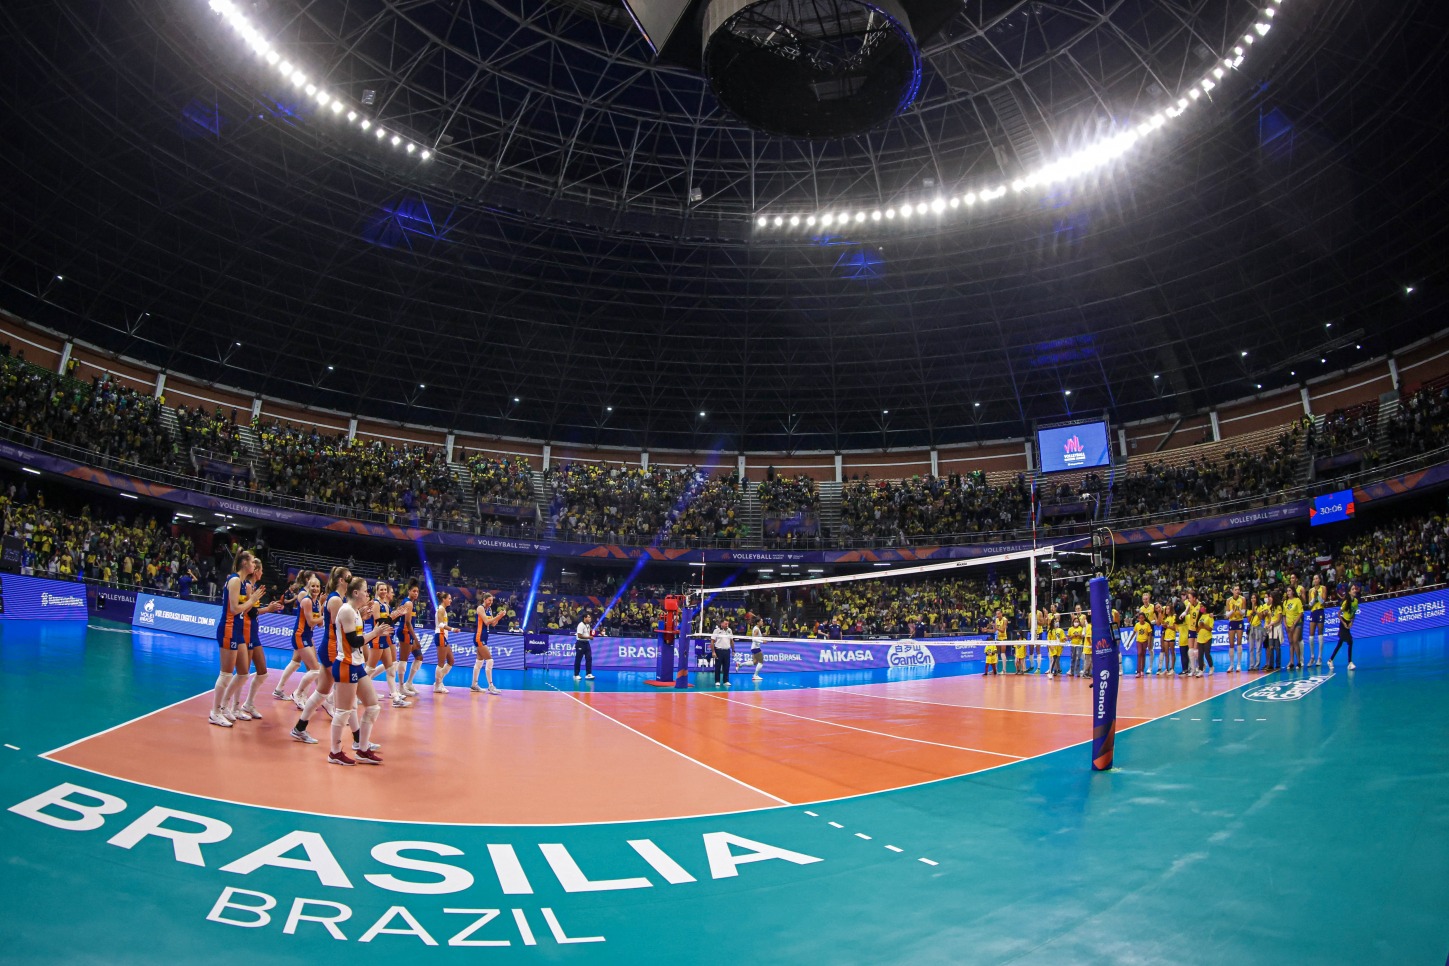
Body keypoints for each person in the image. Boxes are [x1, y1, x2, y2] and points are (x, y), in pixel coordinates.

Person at [326, 576, 391, 765]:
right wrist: (375, 633)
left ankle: (362, 750)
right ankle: (334, 753)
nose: (367, 593)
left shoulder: (353, 611)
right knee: (343, 712)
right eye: (364, 590)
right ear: (355, 593)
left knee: (373, 706)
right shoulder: (346, 610)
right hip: (346, 665)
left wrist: (362, 617)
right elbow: (354, 641)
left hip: (356, 664)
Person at [290, 566, 350, 743]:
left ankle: (299, 727)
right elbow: (338, 627)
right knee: (347, 688)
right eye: (348, 577)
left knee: (322, 692)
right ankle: (358, 740)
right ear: (341, 580)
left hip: (327, 645)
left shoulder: (334, 599)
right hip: (330, 647)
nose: (351, 580)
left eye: (318, 586)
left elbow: (328, 624)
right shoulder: (334, 600)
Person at [209, 551, 265, 728]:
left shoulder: (242, 583)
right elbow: (234, 609)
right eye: (252, 562)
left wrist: (252, 601)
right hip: (228, 629)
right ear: (244, 563)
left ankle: (225, 706)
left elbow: (245, 610)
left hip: (238, 631)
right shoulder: (234, 581)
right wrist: (252, 599)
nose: (254, 565)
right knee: (226, 674)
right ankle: (215, 712)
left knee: (243, 673)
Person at [273, 571, 322, 702]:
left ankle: (280, 689)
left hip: (308, 634)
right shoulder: (304, 596)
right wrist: (324, 616)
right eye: (313, 583)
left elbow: (318, 623)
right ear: (307, 581)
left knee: (297, 663)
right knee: (312, 667)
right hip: (301, 634)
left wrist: (321, 608)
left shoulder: (316, 601)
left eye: (317, 585)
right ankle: (303, 695)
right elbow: (309, 619)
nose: (315, 587)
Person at [367, 581, 409, 707]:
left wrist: (397, 615)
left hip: (384, 639)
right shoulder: (376, 604)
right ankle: (356, 691)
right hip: (377, 638)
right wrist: (394, 615)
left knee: (390, 669)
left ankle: (395, 698)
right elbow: (379, 622)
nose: (384, 592)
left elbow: (389, 622)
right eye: (381, 589)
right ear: (376, 590)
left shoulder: (385, 604)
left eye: (385, 589)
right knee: (369, 669)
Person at [393, 580, 424, 697]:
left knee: (419, 657)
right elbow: (407, 622)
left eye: (417, 591)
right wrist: (416, 639)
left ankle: (409, 683)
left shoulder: (410, 603)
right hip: (405, 632)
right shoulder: (408, 603)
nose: (416, 593)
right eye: (414, 591)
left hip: (408, 633)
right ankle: (401, 687)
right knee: (403, 660)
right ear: (409, 591)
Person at [470, 593, 504, 694]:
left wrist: (500, 616)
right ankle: (491, 686)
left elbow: (493, 623)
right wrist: (498, 616)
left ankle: (474, 685)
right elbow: (486, 622)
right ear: (484, 599)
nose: (491, 602)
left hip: (484, 636)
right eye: (489, 600)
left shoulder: (489, 609)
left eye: (492, 601)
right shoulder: (480, 608)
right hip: (479, 637)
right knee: (490, 660)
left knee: (479, 662)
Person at [1327, 583, 1359, 671]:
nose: (1354, 590)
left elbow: (1354, 613)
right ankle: (1350, 663)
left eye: (1355, 589)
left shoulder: (1356, 601)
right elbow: (1338, 614)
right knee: (1350, 642)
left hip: (1349, 622)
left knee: (1340, 643)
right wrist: (1344, 623)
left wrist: (1352, 622)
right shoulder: (1345, 602)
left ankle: (1330, 660)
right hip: (1343, 623)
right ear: (1349, 592)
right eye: (1352, 589)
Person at [433, 592, 455, 693]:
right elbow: (441, 625)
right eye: (449, 598)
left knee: (451, 660)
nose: (450, 600)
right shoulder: (441, 609)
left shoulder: (443, 610)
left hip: (444, 637)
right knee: (441, 663)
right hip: (440, 635)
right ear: (443, 599)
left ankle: (439, 681)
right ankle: (438, 685)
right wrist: (453, 629)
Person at [1307, 575, 1328, 668]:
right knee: (1311, 636)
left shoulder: (1323, 588)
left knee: (1320, 634)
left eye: (1316, 578)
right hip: (1313, 612)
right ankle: (1312, 657)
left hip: (1320, 611)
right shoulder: (1310, 590)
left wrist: (1317, 596)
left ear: (1319, 580)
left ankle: (1319, 657)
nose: (1315, 580)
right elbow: (1309, 605)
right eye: (1314, 578)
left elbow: (1323, 602)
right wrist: (1314, 598)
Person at [1282, 583, 1305, 669]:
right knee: (1291, 642)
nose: (1288, 592)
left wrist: (1294, 624)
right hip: (1288, 625)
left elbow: (1300, 613)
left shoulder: (1297, 600)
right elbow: (1284, 615)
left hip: (1297, 624)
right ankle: (1291, 662)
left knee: (1295, 641)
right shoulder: (1285, 602)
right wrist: (1285, 625)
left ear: (1293, 592)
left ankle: (1299, 662)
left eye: (1289, 590)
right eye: (1287, 591)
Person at [1225, 585, 1247, 672]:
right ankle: (1231, 665)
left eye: (1238, 589)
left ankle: (1238, 664)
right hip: (1232, 622)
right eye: (1236, 590)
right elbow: (1227, 614)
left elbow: (1243, 613)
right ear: (1233, 591)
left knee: (1239, 642)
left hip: (1239, 621)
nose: (1237, 591)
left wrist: (1239, 610)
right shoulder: (1228, 600)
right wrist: (1232, 611)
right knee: (1231, 644)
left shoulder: (1243, 599)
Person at [711, 617, 734, 687]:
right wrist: (713, 652)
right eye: (725, 624)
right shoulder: (716, 631)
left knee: (726, 667)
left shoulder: (729, 630)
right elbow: (712, 642)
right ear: (721, 624)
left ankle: (726, 681)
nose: (727, 625)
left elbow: (731, 641)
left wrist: (733, 650)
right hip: (719, 650)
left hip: (727, 651)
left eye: (728, 624)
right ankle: (717, 681)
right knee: (718, 666)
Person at [1248, 591, 1267, 671]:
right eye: (1252, 598)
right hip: (1251, 628)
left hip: (1258, 627)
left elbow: (1261, 617)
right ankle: (1251, 665)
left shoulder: (1260, 607)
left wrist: (1256, 611)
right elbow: (1248, 620)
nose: (1253, 599)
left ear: (1257, 599)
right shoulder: (1249, 609)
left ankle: (1257, 665)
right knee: (1251, 648)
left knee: (1258, 648)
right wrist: (1252, 612)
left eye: (1254, 598)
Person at [1263, 593, 1283, 671]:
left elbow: (1279, 619)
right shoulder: (1271, 607)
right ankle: (1270, 664)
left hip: (1277, 628)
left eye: (1271, 597)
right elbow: (1270, 618)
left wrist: (1271, 624)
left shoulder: (1278, 607)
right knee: (1270, 646)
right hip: (1271, 628)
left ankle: (1278, 664)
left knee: (1277, 647)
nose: (1269, 598)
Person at [574, 611, 596, 680]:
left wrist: (591, 635)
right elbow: (579, 635)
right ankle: (576, 675)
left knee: (589, 658)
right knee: (578, 659)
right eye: (588, 617)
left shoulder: (588, 625)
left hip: (587, 643)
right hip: (580, 643)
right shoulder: (580, 625)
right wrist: (589, 637)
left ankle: (588, 674)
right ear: (584, 618)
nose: (590, 618)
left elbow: (587, 634)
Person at [1194, 602, 1214, 677]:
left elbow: (1210, 628)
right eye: (1200, 606)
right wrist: (1200, 627)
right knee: (1200, 655)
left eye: (1202, 606)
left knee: (1207, 654)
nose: (1200, 608)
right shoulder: (1199, 616)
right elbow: (1197, 630)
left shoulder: (1209, 616)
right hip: (1200, 638)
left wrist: (1204, 625)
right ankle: (1201, 670)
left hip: (1207, 637)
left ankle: (1211, 667)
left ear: (1205, 607)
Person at [1132, 612, 1153, 677]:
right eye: (1140, 618)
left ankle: (1142, 670)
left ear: (1144, 618)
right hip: (1139, 641)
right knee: (1139, 653)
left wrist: (1149, 643)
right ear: (1138, 619)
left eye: (1142, 618)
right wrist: (1129, 641)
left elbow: (1149, 634)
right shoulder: (1137, 625)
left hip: (1145, 641)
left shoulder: (1147, 625)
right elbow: (1134, 633)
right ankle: (1138, 671)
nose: (1141, 619)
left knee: (1143, 655)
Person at [749, 616, 766, 681]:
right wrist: (762, 641)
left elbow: (757, 637)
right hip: (756, 647)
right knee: (761, 661)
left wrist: (762, 636)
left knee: (755, 662)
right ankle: (755, 675)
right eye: (761, 621)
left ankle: (740, 664)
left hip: (754, 647)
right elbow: (754, 639)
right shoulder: (757, 629)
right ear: (758, 622)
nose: (762, 622)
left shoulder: (757, 628)